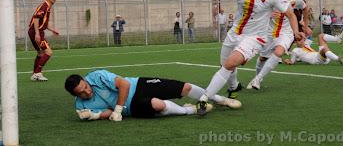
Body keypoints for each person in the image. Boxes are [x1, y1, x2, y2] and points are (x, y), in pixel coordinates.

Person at [197, 0, 304, 115]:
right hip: (234, 34)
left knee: (230, 63)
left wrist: (295, 32)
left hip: (255, 38)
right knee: (225, 66)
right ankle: (233, 88)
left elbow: (291, 14)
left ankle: (203, 99)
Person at [64, 70, 241, 120]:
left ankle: (220, 99)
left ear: (85, 80)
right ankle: (190, 110)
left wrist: (117, 108)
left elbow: (124, 84)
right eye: (82, 93)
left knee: (185, 88)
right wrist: (94, 115)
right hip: (132, 108)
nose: (88, 91)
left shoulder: (96, 76)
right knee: (158, 105)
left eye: (86, 86)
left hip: (138, 85)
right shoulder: (81, 106)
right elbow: (108, 114)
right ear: (75, 95)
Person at [247, 0, 308, 90]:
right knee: (263, 58)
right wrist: (269, 15)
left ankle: (258, 79)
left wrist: (305, 24)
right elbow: (256, 12)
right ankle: (256, 77)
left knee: (279, 52)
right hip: (269, 32)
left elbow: (305, 8)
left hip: (286, 32)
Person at [29, 0, 59, 81]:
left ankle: (35, 74)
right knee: (48, 52)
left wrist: (52, 30)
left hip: (33, 31)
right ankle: (38, 73)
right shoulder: (44, 6)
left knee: (40, 53)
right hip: (36, 32)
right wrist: (37, 34)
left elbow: (44, 23)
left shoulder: (48, 7)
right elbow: (36, 19)